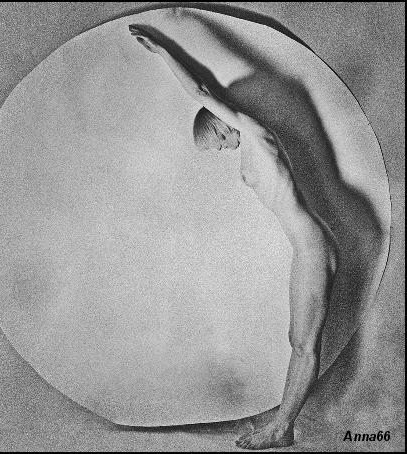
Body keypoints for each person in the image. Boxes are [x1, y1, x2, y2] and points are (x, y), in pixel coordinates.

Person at [129, 25, 338, 450]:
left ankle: (281, 430)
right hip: (306, 246)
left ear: (222, 126)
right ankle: (282, 423)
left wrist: (164, 51)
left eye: (217, 143)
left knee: (304, 344)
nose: (223, 150)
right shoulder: (250, 147)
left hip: (313, 245)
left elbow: (202, 91)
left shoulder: (257, 137)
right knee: (296, 340)